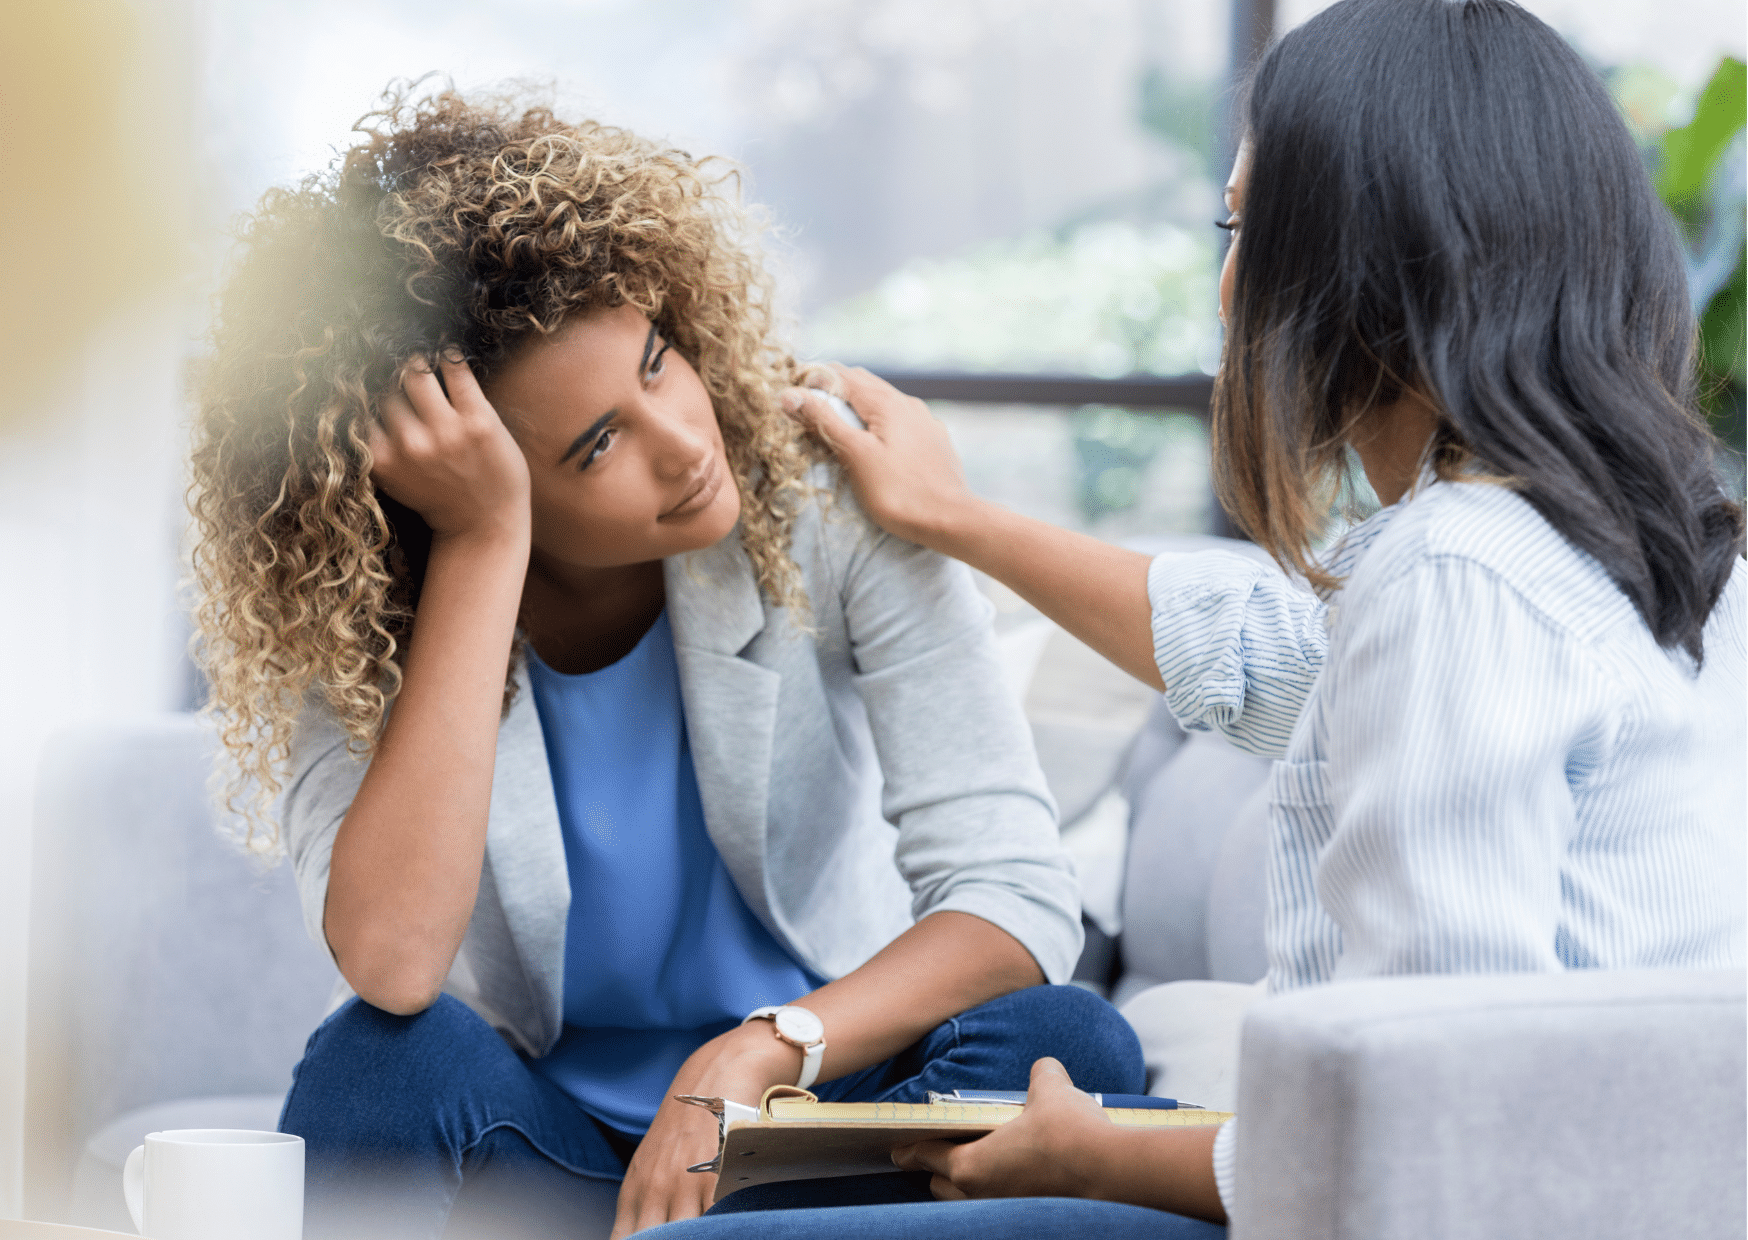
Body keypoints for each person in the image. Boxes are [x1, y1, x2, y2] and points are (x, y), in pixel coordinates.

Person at [654, 1, 1747, 1236]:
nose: (1227, 286)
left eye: (1245, 226)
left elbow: (1429, 1117)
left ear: (1369, 261)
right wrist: (956, 518)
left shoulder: (1461, 576)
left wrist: (1092, 1157)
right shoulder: (1635, 553)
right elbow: (1281, 665)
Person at [187, 88, 1145, 1240]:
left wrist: (763, 1046)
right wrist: (486, 546)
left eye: (656, 361)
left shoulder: (825, 500)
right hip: (547, 1148)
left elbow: (1013, 892)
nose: (685, 443)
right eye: (597, 445)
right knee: (375, 1063)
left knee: (1068, 1042)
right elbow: (391, 964)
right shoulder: (353, 608)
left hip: (808, 1128)